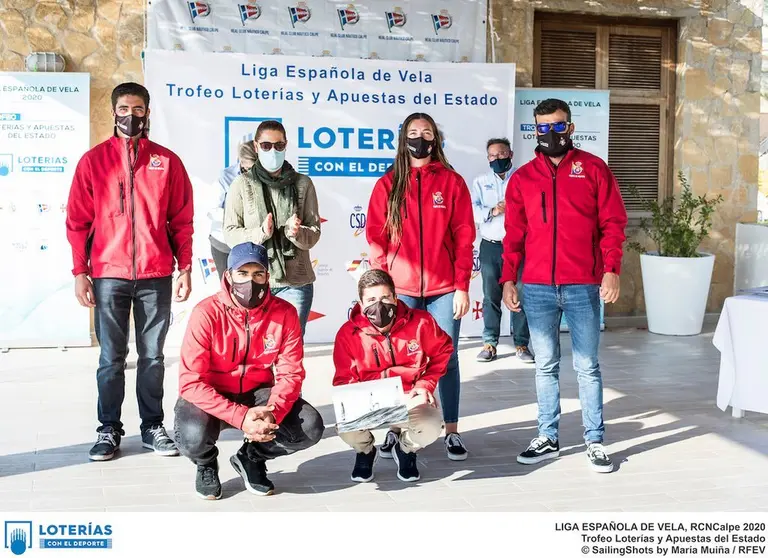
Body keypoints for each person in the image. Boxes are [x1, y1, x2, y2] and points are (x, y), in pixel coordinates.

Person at [66, 82, 194, 461]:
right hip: (109, 275)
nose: (131, 116)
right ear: (114, 112)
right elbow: (77, 221)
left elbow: (181, 220)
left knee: (152, 356)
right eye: (124, 108)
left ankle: (152, 425)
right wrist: (80, 271)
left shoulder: (167, 162)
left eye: (138, 109)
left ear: (148, 113)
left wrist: (184, 266)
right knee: (111, 357)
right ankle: (108, 429)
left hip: (155, 274)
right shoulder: (93, 162)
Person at [501, 98, 627, 473]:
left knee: (587, 366)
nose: (551, 134)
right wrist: (508, 278)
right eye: (543, 128)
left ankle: (594, 439)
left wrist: (611, 269)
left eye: (558, 127)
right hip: (537, 286)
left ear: (570, 128)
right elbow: (513, 235)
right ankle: (548, 436)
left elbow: (613, 224)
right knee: (545, 366)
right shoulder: (522, 178)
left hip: (583, 285)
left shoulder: (593, 169)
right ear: (534, 130)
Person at [174, 242, 324, 500]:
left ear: (268, 276)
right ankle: (206, 463)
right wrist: (241, 417)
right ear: (229, 275)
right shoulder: (206, 313)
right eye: (242, 273)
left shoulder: (284, 313)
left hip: (258, 394)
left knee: (309, 427)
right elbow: (190, 383)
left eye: (258, 274)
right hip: (213, 394)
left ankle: (251, 457)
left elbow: (291, 374)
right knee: (191, 436)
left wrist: (272, 413)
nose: (250, 281)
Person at [366, 112, 476, 461]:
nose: (420, 138)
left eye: (426, 132)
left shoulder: (452, 182)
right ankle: (394, 428)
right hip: (402, 290)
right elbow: (376, 239)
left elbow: (463, 237)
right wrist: (383, 289)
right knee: (398, 360)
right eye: (413, 133)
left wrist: (461, 287)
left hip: (445, 288)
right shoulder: (388, 184)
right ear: (403, 140)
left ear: (436, 139)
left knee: (446, 358)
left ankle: (452, 430)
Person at [333, 270, 450, 482]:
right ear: (360, 302)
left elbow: (443, 350)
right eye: (371, 300)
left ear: (395, 298)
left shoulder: (421, 322)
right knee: (344, 425)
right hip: (370, 401)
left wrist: (425, 384)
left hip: (410, 397)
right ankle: (365, 451)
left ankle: (405, 450)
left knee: (431, 425)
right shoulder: (347, 334)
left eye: (385, 298)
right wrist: (360, 402)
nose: (379, 305)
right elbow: (344, 381)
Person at [224, 120, 321, 336]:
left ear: (286, 145)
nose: (273, 151)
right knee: (255, 349)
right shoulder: (241, 185)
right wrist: (260, 233)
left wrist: (296, 233)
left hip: (296, 283)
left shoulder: (303, 183)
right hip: (254, 281)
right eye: (266, 146)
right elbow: (230, 234)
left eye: (278, 146)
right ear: (257, 147)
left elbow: (314, 233)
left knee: (292, 348)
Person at [470, 137, 534, 364]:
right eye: (493, 156)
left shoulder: (524, 178)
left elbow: (534, 208)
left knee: (522, 296)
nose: (498, 159)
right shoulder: (480, 181)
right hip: (491, 245)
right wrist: (493, 210)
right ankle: (490, 343)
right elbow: (472, 212)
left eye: (502, 154)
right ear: (488, 158)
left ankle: (522, 344)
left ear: (511, 154)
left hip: (520, 247)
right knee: (491, 297)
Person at [208, 141, 257, 281]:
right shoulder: (225, 176)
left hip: (252, 241)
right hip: (223, 241)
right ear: (240, 162)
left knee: (250, 287)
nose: (252, 173)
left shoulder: (265, 175)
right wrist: (237, 216)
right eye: (247, 169)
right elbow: (212, 210)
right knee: (228, 286)